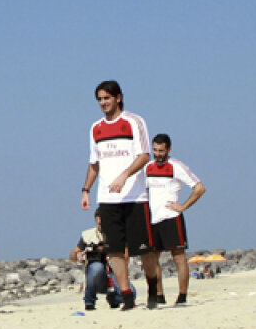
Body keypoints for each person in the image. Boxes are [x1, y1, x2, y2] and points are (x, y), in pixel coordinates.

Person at [80, 80, 154, 311]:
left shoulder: (134, 121)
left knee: (143, 250)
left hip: (134, 197)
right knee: (114, 251)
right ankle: (126, 295)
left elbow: (144, 156)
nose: (103, 103)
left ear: (118, 98)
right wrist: (85, 190)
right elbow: (94, 164)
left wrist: (125, 175)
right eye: (100, 99)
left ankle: (154, 288)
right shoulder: (96, 128)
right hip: (108, 199)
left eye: (107, 98)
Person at [144, 134, 206, 305]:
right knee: (152, 257)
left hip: (171, 217)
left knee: (178, 257)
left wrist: (184, 206)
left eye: (161, 151)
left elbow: (200, 188)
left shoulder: (176, 167)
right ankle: (159, 295)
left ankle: (182, 295)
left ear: (169, 150)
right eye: (155, 150)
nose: (158, 154)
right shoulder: (147, 167)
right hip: (152, 218)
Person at [70, 209, 118, 310]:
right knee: (96, 267)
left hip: (114, 272)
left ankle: (113, 299)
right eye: (99, 220)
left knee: (131, 293)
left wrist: (107, 250)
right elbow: (73, 255)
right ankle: (89, 301)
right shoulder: (88, 235)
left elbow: (125, 256)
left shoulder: (117, 233)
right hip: (96, 273)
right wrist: (78, 256)